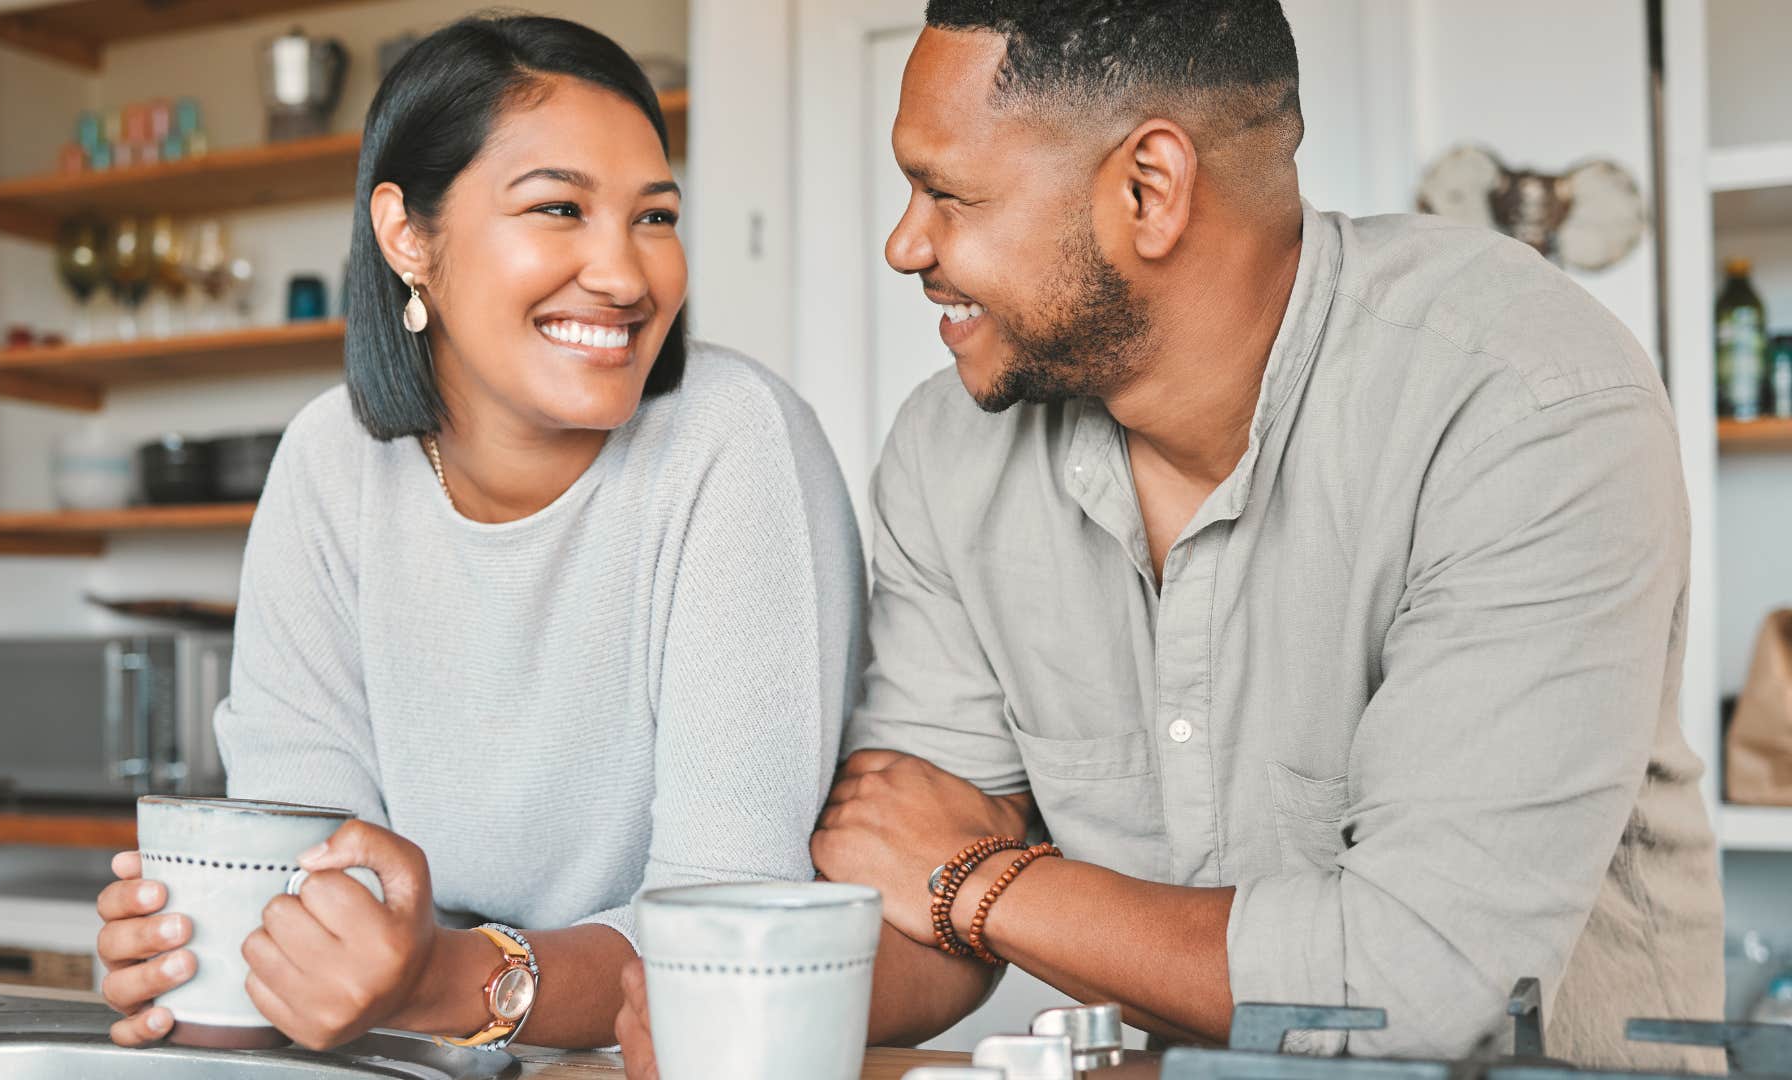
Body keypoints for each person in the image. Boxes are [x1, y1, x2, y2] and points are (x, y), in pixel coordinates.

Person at [614, 1, 1723, 1073]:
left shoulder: (1524, 403)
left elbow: (1417, 985)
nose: (908, 244)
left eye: (947, 193)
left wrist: (984, 881)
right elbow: (906, 892)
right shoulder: (949, 452)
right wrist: (750, 1012)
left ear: (1149, 188)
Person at [92, 14, 863, 1053]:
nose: (627, 277)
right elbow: (309, 870)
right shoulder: (329, 460)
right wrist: (213, 959)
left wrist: (447, 977)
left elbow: (725, 932)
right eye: (558, 208)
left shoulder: (733, 439)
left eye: (655, 217)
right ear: (408, 234)